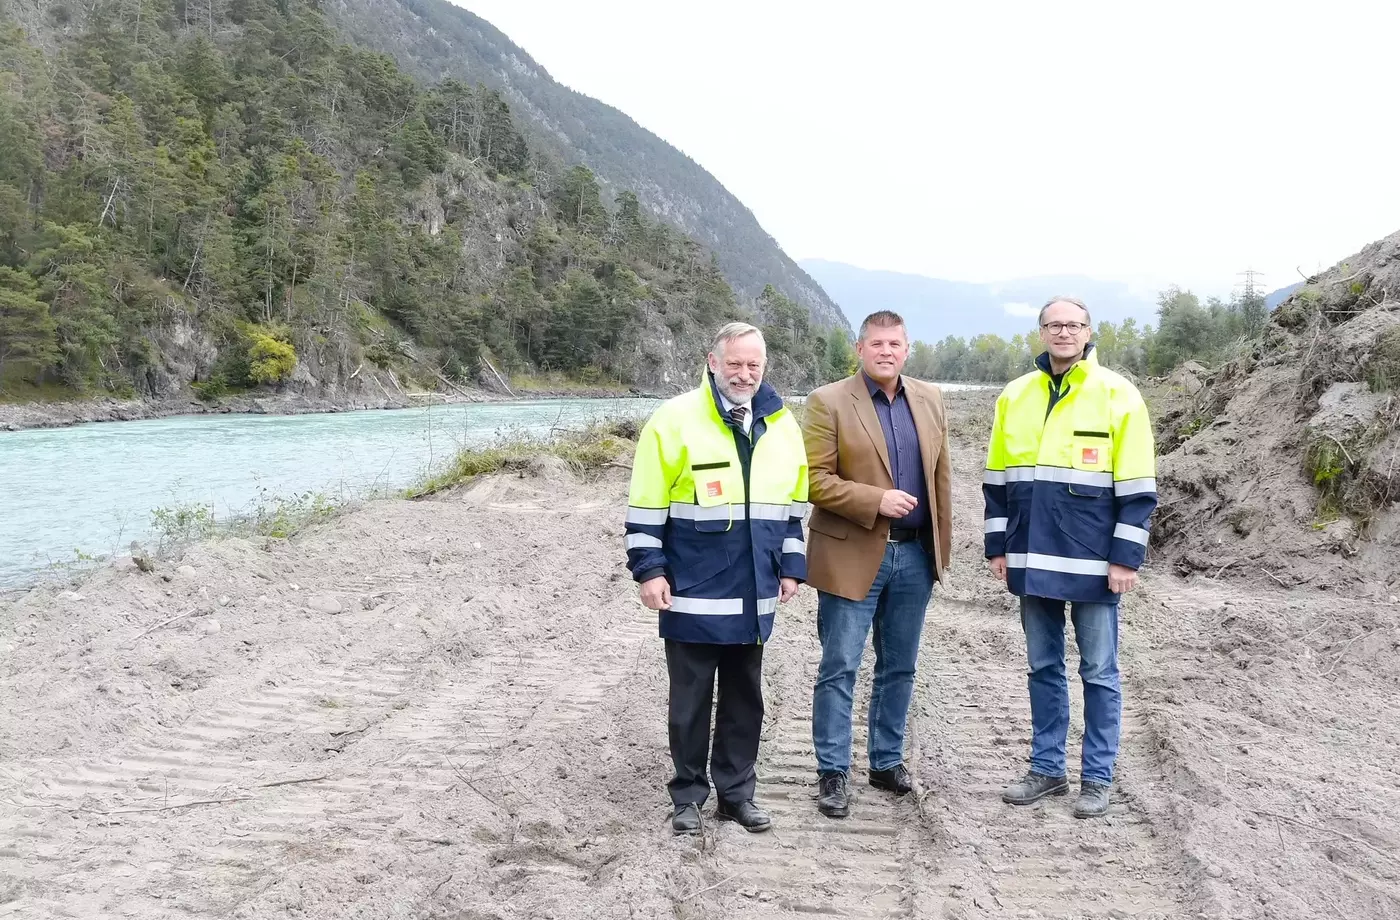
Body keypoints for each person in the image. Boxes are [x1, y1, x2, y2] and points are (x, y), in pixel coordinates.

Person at [624, 322, 809, 835]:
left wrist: (792, 566)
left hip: (754, 593)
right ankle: (687, 797)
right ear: (712, 361)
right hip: (691, 592)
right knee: (689, 701)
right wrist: (649, 571)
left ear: (764, 367)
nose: (744, 374)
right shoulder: (674, 419)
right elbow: (646, 504)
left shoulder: (782, 423)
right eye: (735, 364)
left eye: (754, 365)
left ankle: (735, 795)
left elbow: (795, 508)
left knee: (744, 700)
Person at [982, 296, 1158, 819]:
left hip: (1095, 564)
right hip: (1033, 557)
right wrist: (998, 546)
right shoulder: (1016, 396)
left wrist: (1126, 557)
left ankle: (1098, 778)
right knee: (1042, 666)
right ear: (1040, 333)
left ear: (1088, 332)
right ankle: (1047, 769)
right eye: (1054, 325)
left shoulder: (1117, 395)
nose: (1063, 333)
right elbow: (997, 482)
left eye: (1073, 325)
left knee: (1100, 672)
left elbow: (1138, 486)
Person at [801, 310, 953, 818]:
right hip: (851, 552)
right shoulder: (828, 401)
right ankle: (833, 771)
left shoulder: (929, 399)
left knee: (900, 667)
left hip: (913, 555)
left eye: (895, 343)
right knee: (840, 665)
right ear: (860, 349)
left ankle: (886, 763)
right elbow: (813, 480)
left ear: (906, 349)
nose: (886, 351)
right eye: (876, 344)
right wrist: (875, 500)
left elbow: (941, 480)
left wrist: (939, 549)